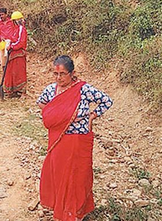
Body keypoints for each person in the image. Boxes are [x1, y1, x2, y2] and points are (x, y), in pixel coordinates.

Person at [37, 56, 113, 221]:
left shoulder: (83, 90)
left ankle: (75, 211)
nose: (59, 78)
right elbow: (41, 103)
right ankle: (62, 209)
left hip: (78, 140)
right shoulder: (50, 90)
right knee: (59, 174)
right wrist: (54, 116)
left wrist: (92, 116)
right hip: (58, 140)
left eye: (63, 74)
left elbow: (106, 101)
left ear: (72, 74)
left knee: (77, 175)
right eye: (55, 74)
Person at [3, 11, 28, 98]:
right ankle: (12, 90)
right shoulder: (15, 29)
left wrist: (12, 46)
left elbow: (21, 42)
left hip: (19, 54)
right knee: (11, 71)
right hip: (12, 53)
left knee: (19, 72)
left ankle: (21, 90)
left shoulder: (21, 29)